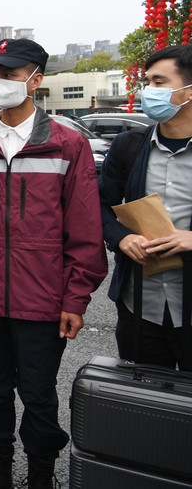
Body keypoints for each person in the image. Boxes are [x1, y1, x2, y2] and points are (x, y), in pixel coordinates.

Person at [0, 39, 107, 489]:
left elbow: (84, 231)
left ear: (35, 81)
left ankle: (42, 473)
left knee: (39, 394)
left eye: (10, 73)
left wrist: (75, 298)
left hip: (42, 301)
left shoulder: (67, 146)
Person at [100, 44, 192, 371]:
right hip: (139, 306)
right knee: (146, 410)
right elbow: (100, 206)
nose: (148, 91)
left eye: (159, 82)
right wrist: (122, 238)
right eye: (147, 82)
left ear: (188, 91)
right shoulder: (129, 146)